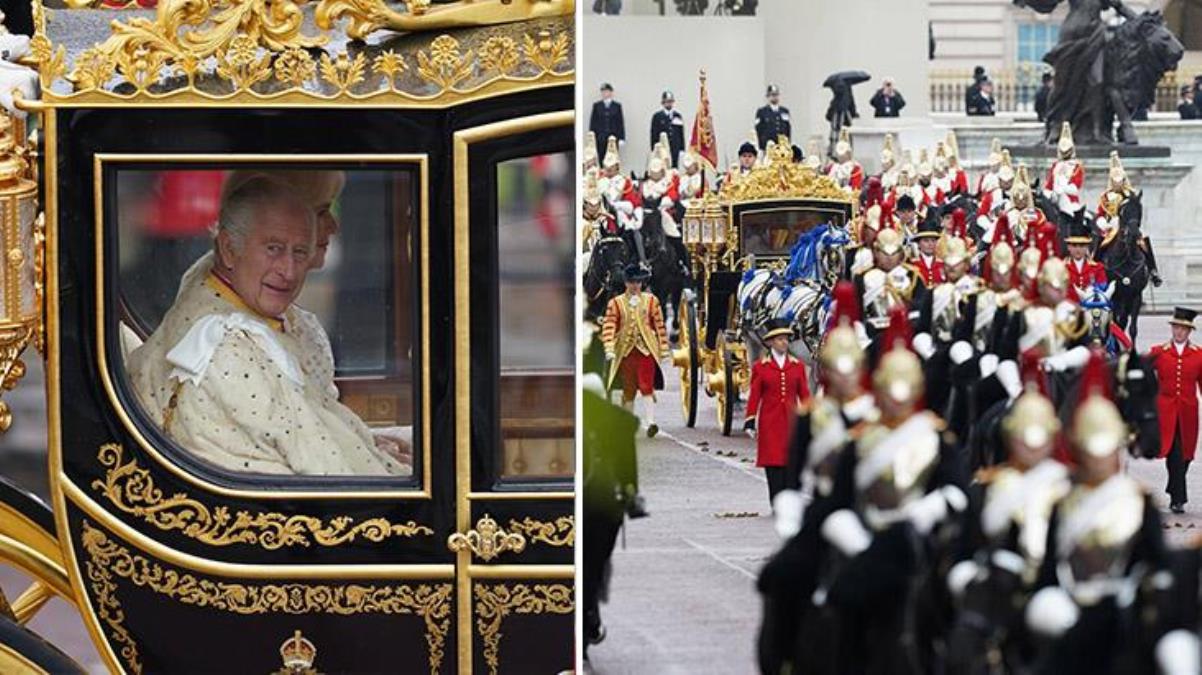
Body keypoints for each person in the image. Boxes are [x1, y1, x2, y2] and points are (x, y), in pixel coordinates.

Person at [128, 175, 410, 475]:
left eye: (300, 252)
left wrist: (369, 444)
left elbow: (312, 424)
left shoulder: (248, 301)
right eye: (273, 248)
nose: (288, 271)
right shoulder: (228, 350)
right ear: (228, 248)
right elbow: (324, 473)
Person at [744, 319, 811, 505]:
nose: (784, 343)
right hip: (770, 422)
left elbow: (804, 395)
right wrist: (750, 419)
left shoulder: (797, 366)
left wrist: (811, 418)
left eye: (786, 339)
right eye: (780, 339)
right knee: (773, 464)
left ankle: (790, 501)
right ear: (771, 342)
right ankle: (776, 501)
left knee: (792, 463)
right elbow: (755, 396)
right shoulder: (761, 367)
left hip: (791, 421)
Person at [602, 264, 669, 437]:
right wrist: (609, 347)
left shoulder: (651, 301)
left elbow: (659, 325)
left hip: (645, 350)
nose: (635, 286)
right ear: (626, 283)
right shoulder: (615, 303)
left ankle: (651, 422)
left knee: (647, 385)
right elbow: (609, 326)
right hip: (625, 351)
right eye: (632, 282)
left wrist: (663, 348)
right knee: (629, 389)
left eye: (638, 282)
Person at [1148, 308, 1202, 514]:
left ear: (1190, 332)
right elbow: (1142, 370)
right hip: (1165, 411)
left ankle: (1173, 488)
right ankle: (1178, 499)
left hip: (1188, 413)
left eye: (1183, 329)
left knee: (1186, 455)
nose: (1179, 332)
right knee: (1174, 454)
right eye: (1176, 328)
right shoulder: (1159, 352)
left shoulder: (1198, 355)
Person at [1044, 121, 1085, 220]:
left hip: (1070, 200)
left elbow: (1075, 188)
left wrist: (1062, 189)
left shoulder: (1076, 167)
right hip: (1054, 198)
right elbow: (1049, 185)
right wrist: (1048, 194)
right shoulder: (1055, 165)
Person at [1064, 222, 1106, 302]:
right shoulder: (1061, 267)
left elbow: (1102, 289)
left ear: (1087, 247)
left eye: (1082, 245)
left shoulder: (1098, 267)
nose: (1078, 249)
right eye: (1074, 245)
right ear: (1068, 247)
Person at [650, 90, 685, 168]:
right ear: (663, 103)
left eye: (670, 101)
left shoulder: (677, 115)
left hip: (675, 147)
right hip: (662, 147)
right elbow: (654, 133)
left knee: (674, 167)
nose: (668, 103)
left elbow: (680, 133)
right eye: (666, 101)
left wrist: (682, 148)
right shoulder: (657, 116)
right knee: (663, 166)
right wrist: (654, 148)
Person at [589, 83, 626, 149]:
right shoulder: (597, 106)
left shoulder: (617, 106)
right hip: (600, 138)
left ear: (611, 92)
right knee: (601, 157)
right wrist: (591, 138)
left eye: (606, 91)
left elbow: (620, 122)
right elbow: (593, 122)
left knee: (613, 157)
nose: (604, 93)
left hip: (613, 138)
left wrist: (621, 138)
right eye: (603, 91)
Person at [755, 84, 791, 151]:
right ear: (768, 97)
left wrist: (787, 144)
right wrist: (762, 146)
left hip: (782, 146)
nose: (774, 97)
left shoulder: (784, 111)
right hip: (768, 146)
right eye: (772, 95)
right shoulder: (762, 112)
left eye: (776, 95)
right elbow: (759, 130)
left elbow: (787, 129)